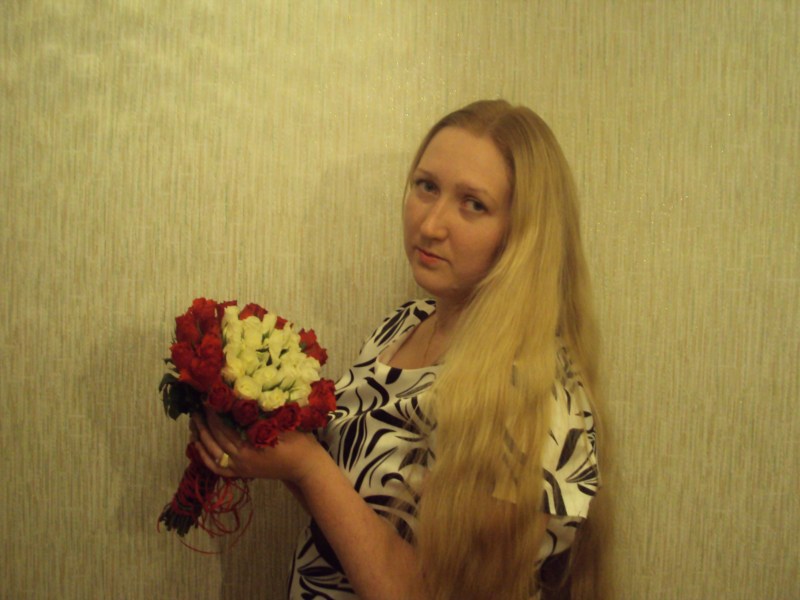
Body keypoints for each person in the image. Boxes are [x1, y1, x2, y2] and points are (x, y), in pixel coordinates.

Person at [191, 99, 610, 599]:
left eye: (473, 204)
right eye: (426, 186)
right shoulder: (404, 323)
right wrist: (271, 442)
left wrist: (306, 466)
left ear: (524, 233)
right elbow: (356, 514)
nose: (430, 225)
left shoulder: (535, 394)